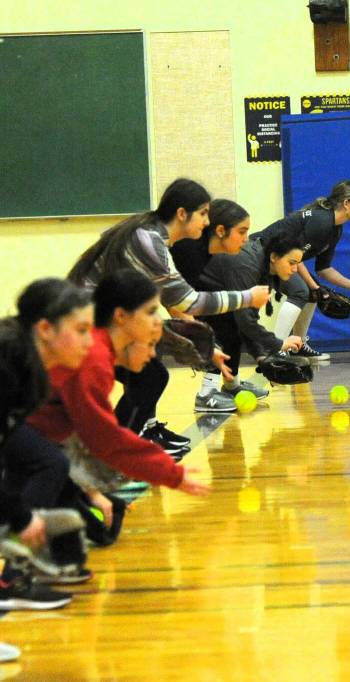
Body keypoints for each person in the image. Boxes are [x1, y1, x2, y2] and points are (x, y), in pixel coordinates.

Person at [68, 179, 271, 435]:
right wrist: (247, 298)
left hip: (101, 321)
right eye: (203, 214)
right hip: (86, 325)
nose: (206, 222)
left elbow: (170, 301)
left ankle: (134, 438)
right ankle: (120, 447)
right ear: (182, 214)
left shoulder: (153, 237)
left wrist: (207, 347)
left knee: (148, 375)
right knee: (150, 376)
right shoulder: (149, 242)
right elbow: (189, 301)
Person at [28, 270, 211, 537]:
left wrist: (92, 490)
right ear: (121, 316)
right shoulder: (94, 357)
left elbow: (76, 436)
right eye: (150, 311)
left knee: (91, 535)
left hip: (34, 438)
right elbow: (105, 439)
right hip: (16, 435)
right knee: (50, 468)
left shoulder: (99, 350)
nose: (155, 319)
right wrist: (168, 473)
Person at [0, 279, 97, 613]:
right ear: (45, 328)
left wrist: (16, 516)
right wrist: (21, 518)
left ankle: (7, 582)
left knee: (46, 462)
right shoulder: (7, 365)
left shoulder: (31, 372)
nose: (90, 341)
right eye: (81, 329)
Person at [248, 180, 350, 362]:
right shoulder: (322, 222)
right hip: (258, 251)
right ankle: (275, 349)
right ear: (347, 204)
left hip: (277, 258)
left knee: (309, 293)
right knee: (302, 291)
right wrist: (314, 286)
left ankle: (296, 346)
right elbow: (293, 255)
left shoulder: (335, 229)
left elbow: (324, 269)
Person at [170, 198, 265, 411]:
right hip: (125, 295)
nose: (246, 239)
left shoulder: (205, 252)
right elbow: (175, 301)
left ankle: (230, 385)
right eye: (242, 232)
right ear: (221, 230)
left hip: (154, 291)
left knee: (228, 319)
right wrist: (201, 336)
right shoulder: (189, 250)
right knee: (152, 374)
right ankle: (206, 394)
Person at [195, 233, 308, 385]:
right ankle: (207, 394)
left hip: (211, 297)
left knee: (234, 328)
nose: (295, 270)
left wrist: (262, 358)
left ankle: (231, 387)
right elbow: (245, 320)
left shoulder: (264, 269)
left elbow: (249, 320)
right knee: (229, 326)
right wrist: (279, 344)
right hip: (191, 299)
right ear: (274, 257)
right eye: (292, 262)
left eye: (297, 264)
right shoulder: (247, 266)